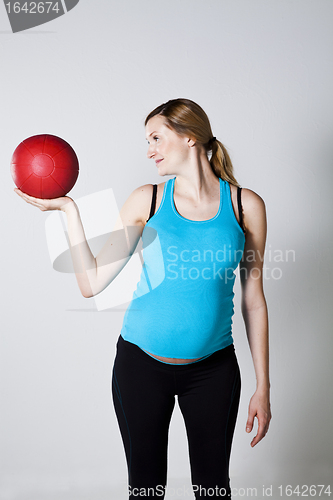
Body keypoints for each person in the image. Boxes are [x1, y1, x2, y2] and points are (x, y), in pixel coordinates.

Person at [14, 98, 271, 499]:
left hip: (214, 373)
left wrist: (263, 386)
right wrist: (68, 210)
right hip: (139, 369)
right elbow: (91, 283)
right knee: (146, 491)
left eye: (156, 137)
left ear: (189, 137)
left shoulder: (245, 205)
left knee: (214, 491)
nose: (148, 149)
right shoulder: (147, 200)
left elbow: (253, 299)